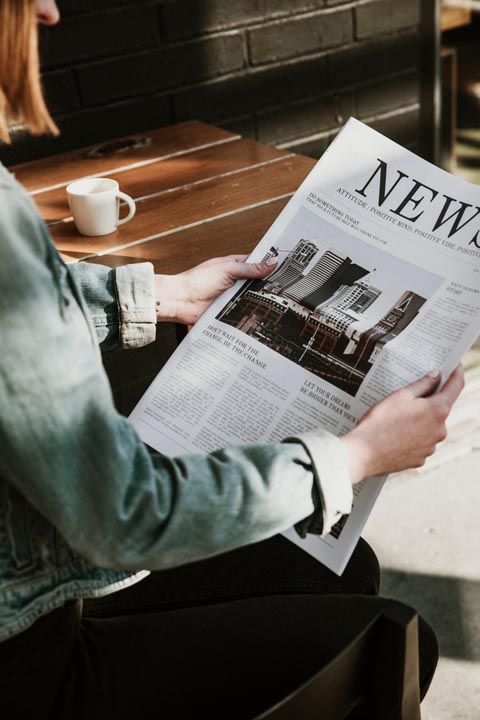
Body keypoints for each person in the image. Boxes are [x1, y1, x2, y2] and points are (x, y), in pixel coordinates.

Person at [0, 2, 465, 718]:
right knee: (396, 639)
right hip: (31, 665)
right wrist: (352, 457)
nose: (51, 11)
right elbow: (124, 516)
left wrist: (162, 296)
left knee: (342, 570)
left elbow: (20, 319)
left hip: (28, 570)